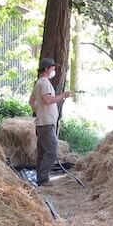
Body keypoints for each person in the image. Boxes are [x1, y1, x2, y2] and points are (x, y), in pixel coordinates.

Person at [29, 58, 71, 186]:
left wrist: (40, 110)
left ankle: (40, 177)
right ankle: (43, 179)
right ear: (47, 69)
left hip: (42, 122)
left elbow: (32, 102)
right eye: (52, 68)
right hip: (46, 124)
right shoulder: (45, 83)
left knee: (42, 153)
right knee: (52, 152)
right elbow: (48, 100)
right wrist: (62, 95)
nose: (54, 71)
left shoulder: (38, 83)